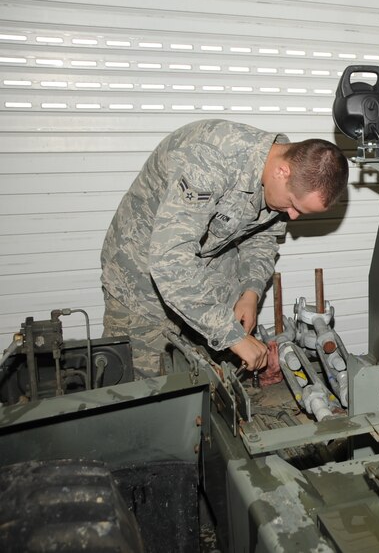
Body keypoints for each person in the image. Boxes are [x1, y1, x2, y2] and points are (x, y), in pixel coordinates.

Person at [101, 119, 349, 379]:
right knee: (145, 390)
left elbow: (263, 236)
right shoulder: (209, 160)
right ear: (282, 172)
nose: (293, 216)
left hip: (204, 269)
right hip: (140, 279)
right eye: (293, 205)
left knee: (212, 382)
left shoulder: (287, 172)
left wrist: (251, 291)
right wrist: (230, 335)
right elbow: (171, 262)